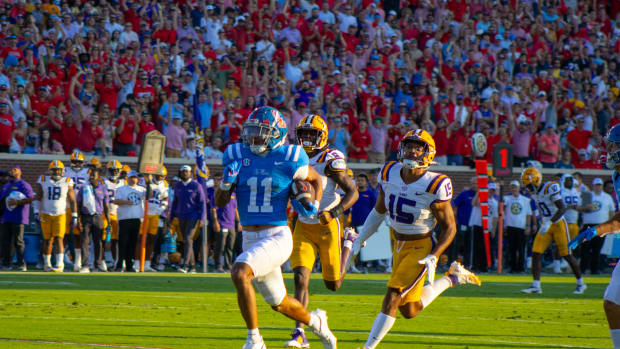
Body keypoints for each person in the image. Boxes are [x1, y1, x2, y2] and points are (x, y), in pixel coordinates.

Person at [214, 106, 337, 349]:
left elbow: (314, 178)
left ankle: (255, 340)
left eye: (260, 132)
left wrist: (313, 202)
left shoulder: (290, 157)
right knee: (279, 303)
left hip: (277, 236)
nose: (253, 138)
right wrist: (226, 183)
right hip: (249, 236)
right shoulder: (237, 155)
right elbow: (219, 202)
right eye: (251, 132)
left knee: (240, 272)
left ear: (276, 134)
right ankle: (316, 322)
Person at [348, 129, 481, 349]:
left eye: (418, 147)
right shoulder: (389, 171)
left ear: (427, 153)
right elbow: (379, 211)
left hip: (420, 245)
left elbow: (450, 227)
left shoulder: (434, 184)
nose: (412, 151)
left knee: (393, 295)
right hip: (397, 244)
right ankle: (453, 278)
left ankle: (367, 347)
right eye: (408, 146)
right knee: (409, 310)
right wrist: (361, 238)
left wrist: (434, 256)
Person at [285, 115, 359, 348]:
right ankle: (299, 333)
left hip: (328, 225)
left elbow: (352, 192)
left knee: (333, 284)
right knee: (300, 278)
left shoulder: (330, 158)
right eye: (304, 134)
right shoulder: (294, 157)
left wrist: (334, 212)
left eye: (312, 134)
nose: (307, 139)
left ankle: (349, 242)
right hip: (304, 226)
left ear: (323, 136)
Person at [569, 124, 620, 348]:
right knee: (611, 303)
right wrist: (596, 230)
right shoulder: (617, 175)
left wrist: (599, 229)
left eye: (613, 145)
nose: (608, 150)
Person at [520, 167, 586, 294]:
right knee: (536, 253)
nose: (527, 188)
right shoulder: (535, 192)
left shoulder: (549, 188)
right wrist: (544, 222)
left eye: (529, 185)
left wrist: (549, 222)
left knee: (566, 255)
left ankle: (581, 283)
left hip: (558, 224)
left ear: (536, 181)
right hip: (546, 225)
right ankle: (536, 286)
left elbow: (562, 209)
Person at [32, 161, 78, 272]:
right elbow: (38, 197)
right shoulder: (43, 180)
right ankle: (47, 264)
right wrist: (36, 211)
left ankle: (59, 264)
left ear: (62, 171)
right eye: (54, 170)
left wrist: (74, 215)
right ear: (50, 170)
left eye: (58, 170)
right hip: (46, 214)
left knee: (59, 239)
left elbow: (72, 201)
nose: (56, 172)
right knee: (47, 240)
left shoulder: (67, 181)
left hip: (60, 214)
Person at [170, 165, 206, 273]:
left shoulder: (196, 185)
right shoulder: (178, 186)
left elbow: (202, 202)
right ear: (180, 173)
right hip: (181, 216)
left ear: (190, 173)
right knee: (186, 240)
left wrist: (202, 218)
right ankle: (193, 267)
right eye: (183, 171)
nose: (185, 173)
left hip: (193, 216)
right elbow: (175, 202)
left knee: (188, 239)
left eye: (187, 171)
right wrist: (171, 216)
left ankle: (185, 265)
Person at [75, 167, 110, 273]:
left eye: (93, 175)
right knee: (85, 241)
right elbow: (78, 204)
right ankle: (85, 265)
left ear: (98, 177)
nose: (91, 177)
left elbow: (106, 205)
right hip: (86, 216)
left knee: (98, 242)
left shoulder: (103, 188)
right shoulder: (84, 187)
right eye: (89, 175)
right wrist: (78, 219)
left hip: (98, 217)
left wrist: (108, 221)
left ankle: (98, 264)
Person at [0, 165, 34, 271]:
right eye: (11, 170)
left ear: (20, 172)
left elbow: (30, 198)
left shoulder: (24, 185)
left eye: (15, 169)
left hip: (19, 217)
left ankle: (21, 263)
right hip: (6, 217)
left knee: (18, 241)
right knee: (6, 241)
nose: (12, 171)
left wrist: (17, 202)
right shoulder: (6, 185)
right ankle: (7, 263)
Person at [579, 178, 615, 275]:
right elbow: (580, 209)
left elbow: (612, 211)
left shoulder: (607, 197)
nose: (598, 187)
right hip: (588, 225)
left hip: (601, 226)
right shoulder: (587, 195)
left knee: (597, 249)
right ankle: (582, 269)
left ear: (602, 186)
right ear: (593, 186)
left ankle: (594, 270)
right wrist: (586, 207)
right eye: (596, 185)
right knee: (585, 249)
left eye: (599, 185)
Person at [137, 167, 169, 272]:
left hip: (155, 214)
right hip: (144, 213)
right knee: (140, 239)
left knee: (151, 239)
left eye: (163, 176)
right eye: (160, 175)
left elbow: (165, 198)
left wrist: (162, 208)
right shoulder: (146, 181)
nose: (161, 178)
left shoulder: (164, 184)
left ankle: (147, 263)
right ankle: (137, 263)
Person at [114, 171, 146, 272]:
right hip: (124, 218)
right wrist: (126, 202)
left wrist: (149, 181)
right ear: (127, 178)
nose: (133, 179)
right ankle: (119, 264)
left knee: (132, 243)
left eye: (135, 178)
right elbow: (116, 201)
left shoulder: (142, 189)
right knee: (123, 242)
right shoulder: (121, 189)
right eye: (131, 177)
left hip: (136, 218)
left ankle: (129, 265)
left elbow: (150, 195)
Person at [64, 151, 89, 271]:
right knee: (63, 234)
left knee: (80, 234)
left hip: (80, 207)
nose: (77, 164)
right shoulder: (64, 171)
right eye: (75, 162)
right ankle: (61, 259)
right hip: (65, 206)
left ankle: (77, 262)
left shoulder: (88, 173)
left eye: (79, 162)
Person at [212, 175, 240, 273]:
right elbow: (214, 209)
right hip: (222, 223)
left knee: (230, 246)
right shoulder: (218, 193)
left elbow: (235, 209)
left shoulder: (233, 194)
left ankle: (228, 266)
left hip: (231, 224)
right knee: (220, 246)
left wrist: (239, 222)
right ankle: (218, 266)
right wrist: (215, 222)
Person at [502, 180, 532, 273]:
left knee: (521, 249)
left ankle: (521, 267)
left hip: (521, 227)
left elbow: (528, 214)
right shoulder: (507, 198)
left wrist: (528, 226)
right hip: (510, 226)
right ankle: (512, 267)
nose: (514, 189)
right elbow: (501, 205)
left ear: (519, 188)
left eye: (515, 187)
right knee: (511, 248)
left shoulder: (525, 200)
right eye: (512, 187)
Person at [103, 160, 125, 269]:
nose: (114, 172)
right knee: (105, 238)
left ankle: (117, 260)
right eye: (112, 170)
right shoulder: (103, 182)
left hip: (119, 214)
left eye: (116, 170)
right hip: (105, 213)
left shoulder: (124, 183)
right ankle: (107, 259)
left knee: (117, 239)